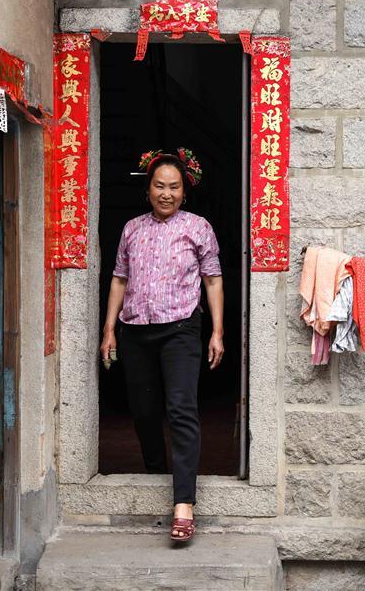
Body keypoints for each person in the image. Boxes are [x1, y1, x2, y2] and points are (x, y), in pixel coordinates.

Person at [100, 148, 224, 543]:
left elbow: (213, 280)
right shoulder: (132, 229)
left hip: (182, 330)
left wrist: (217, 332)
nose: (166, 193)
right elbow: (119, 279)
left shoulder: (198, 227)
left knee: (181, 408)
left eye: (173, 187)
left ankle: (184, 503)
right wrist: (108, 330)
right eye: (159, 186)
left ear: (184, 191)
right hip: (135, 331)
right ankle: (156, 474)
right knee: (143, 409)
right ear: (148, 189)